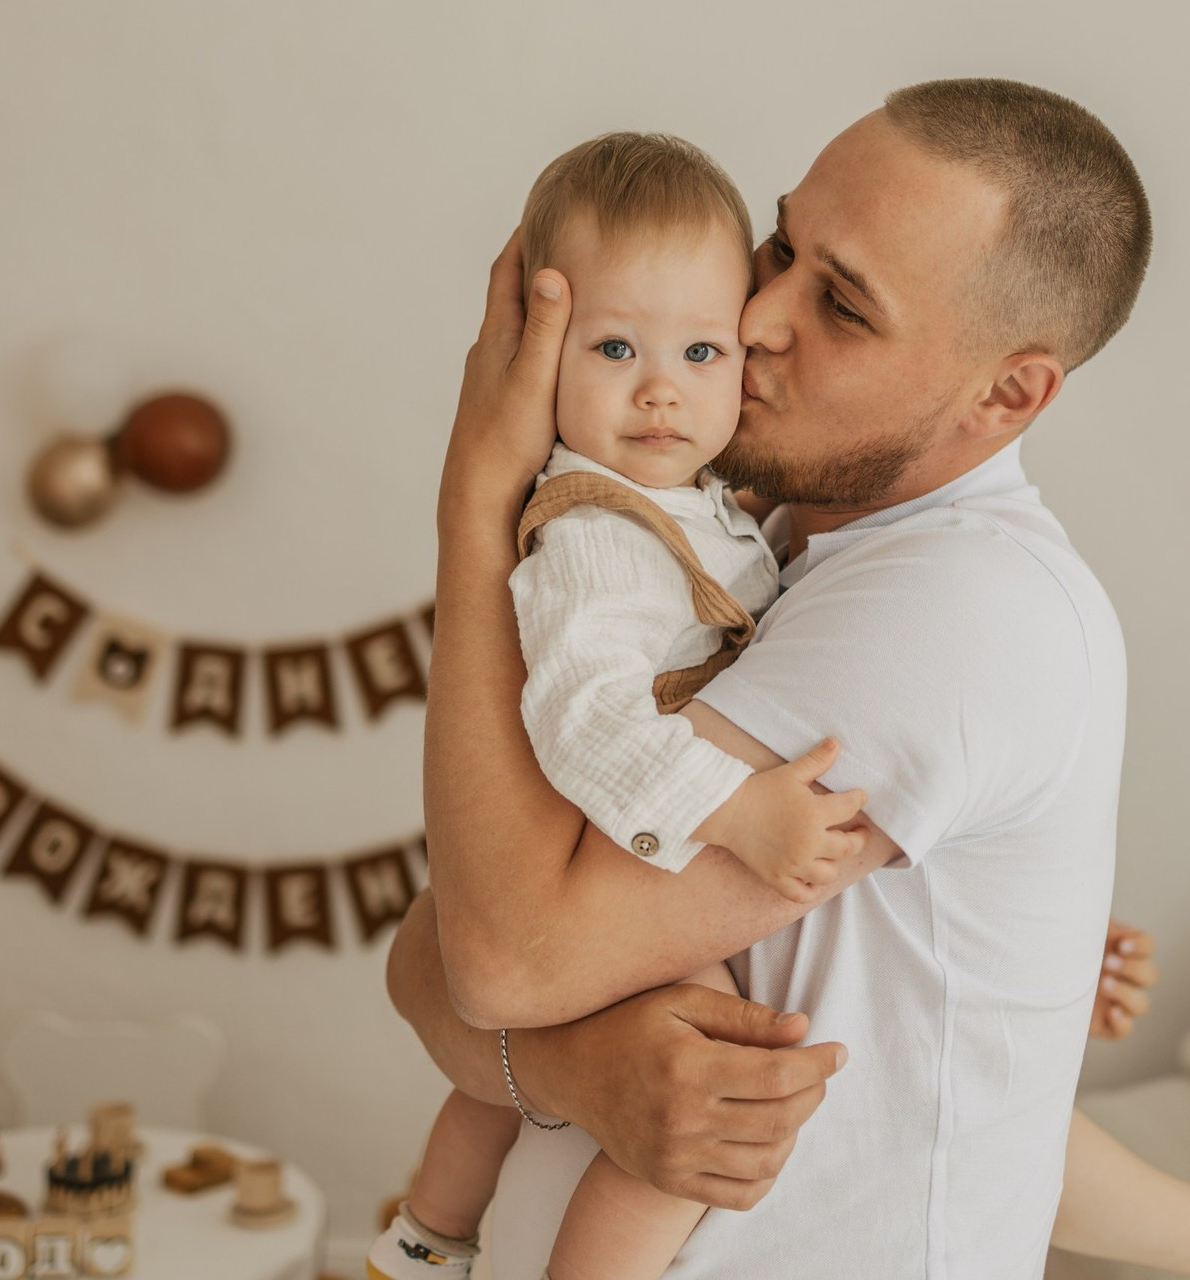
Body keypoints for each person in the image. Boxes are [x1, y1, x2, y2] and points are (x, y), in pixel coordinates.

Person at [391, 78, 1178, 1277]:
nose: (753, 315)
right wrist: (564, 1064)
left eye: (843, 306)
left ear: (1005, 392)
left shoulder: (950, 613)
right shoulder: (743, 543)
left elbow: (499, 957)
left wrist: (475, 498)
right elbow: (431, 943)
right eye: (781, 244)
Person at [368, 132, 866, 1280]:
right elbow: (587, 720)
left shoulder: (703, 503)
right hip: (610, 842)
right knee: (684, 1125)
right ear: (534, 357)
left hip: (609, 855)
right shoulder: (593, 532)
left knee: (498, 1088)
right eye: (610, 347)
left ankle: (423, 1236)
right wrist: (734, 809)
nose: (658, 388)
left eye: (699, 348)